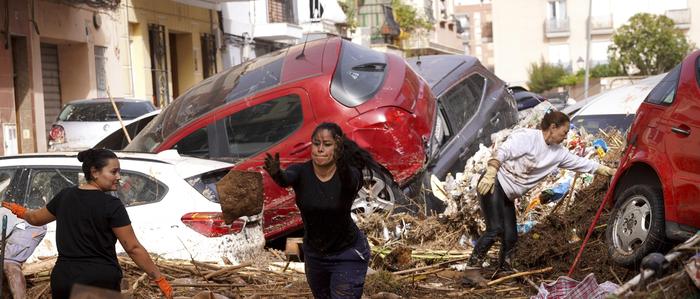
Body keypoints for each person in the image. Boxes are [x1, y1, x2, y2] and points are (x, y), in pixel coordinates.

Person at [2, 148, 173, 299]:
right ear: (95, 172)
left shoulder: (65, 196)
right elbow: (132, 248)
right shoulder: (111, 205)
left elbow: (35, 219)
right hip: (97, 282)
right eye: (114, 172)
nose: (118, 177)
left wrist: (20, 211)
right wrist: (158, 277)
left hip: (64, 280)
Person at [468, 110, 616, 272]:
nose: (566, 136)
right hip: (493, 183)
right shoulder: (528, 137)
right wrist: (491, 171)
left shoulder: (558, 153)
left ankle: (504, 269)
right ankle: (472, 269)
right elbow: (504, 151)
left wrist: (605, 170)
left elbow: (580, 163)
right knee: (495, 229)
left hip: (508, 195)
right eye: (564, 132)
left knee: (510, 237)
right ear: (553, 127)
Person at [264, 122, 376, 299]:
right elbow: (286, 179)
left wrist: (340, 161)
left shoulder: (350, 174)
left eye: (327, 144)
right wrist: (277, 173)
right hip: (315, 255)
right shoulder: (301, 172)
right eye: (316, 144)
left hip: (347, 253)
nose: (320, 149)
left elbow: (349, 182)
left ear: (338, 146)